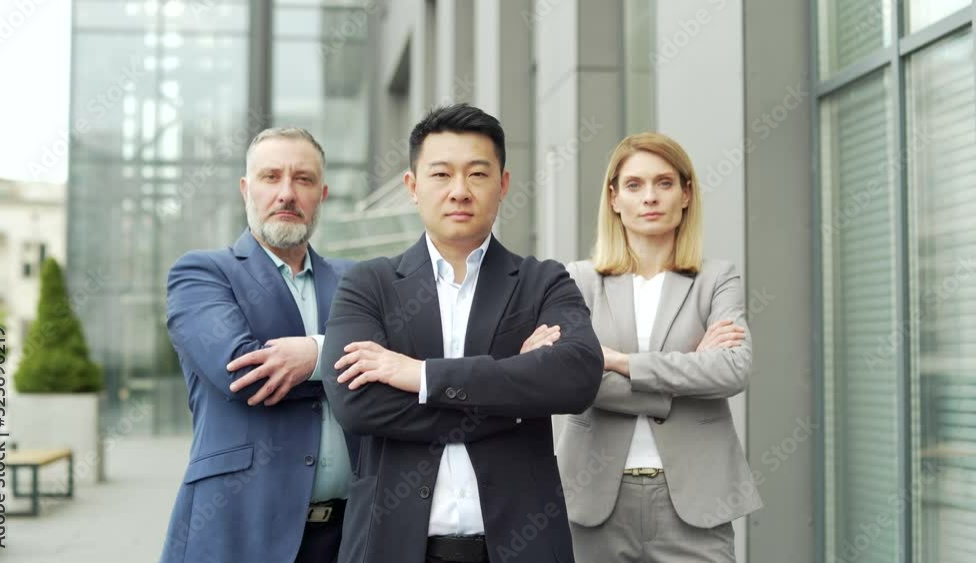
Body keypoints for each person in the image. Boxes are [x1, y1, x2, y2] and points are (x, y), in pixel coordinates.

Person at [320, 104, 604, 563]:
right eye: (441, 175)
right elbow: (355, 403)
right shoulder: (368, 284)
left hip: (520, 545)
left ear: (503, 184)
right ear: (413, 187)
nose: (459, 191)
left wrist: (421, 376)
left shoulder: (543, 281)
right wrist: (516, 389)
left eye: (477, 174)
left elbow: (578, 377)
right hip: (393, 545)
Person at [556, 132, 763, 562]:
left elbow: (733, 370)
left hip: (695, 505)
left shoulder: (717, 278)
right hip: (594, 502)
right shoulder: (579, 281)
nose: (650, 197)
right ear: (613, 198)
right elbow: (569, 379)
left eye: (664, 183)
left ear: (686, 194)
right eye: (634, 185)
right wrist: (687, 372)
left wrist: (618, 361)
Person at [160, 128, 354, 563]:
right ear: (246, 189)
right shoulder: (202, 274)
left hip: (347, 538)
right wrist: (346, 364)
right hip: (238, 531)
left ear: (321, 194)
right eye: (271, 177)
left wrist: (314, 356)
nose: (287, 193)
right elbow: (244, 373)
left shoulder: (354, 281)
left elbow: (400, 361)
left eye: (303, 180)